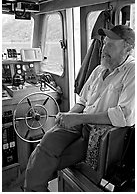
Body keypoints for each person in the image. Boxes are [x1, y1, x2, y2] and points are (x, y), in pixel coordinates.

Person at [24, 25, 135, 191]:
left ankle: (33, 187)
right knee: (46, 142)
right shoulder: (99, 70)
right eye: (104, 43)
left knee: (51, 160)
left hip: (98, 135)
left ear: (127, 48)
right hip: (80, 123)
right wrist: (67, 116)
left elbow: (124, 116)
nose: (104, 49)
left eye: (110, 45)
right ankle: (34, 188)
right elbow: (82, 101)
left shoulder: (132, 71)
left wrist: (79, 118)